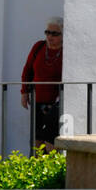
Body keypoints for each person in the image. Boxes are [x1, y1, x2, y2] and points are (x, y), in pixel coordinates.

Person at [21, 16, 64, 150]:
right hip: (37, 99)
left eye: (55, 34)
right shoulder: (38, 47)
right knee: (37, 138)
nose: (50, 37)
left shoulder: (67, 51)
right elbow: (27, 69)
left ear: (63, 35)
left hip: (56, 102)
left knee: (51, 138)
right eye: (47, 32)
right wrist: (24, 92)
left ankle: (50, 168)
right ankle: (37, 168)